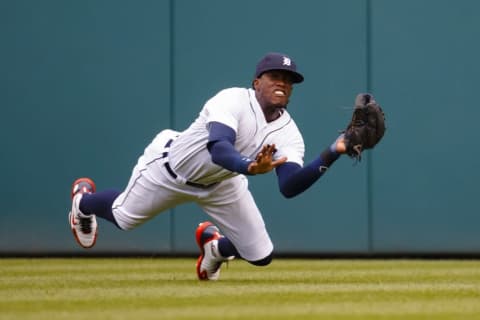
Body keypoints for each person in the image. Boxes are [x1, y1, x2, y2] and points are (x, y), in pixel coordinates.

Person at [68, 52, 347, 281]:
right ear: (256, 82)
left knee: (260, 255)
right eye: (275, 76)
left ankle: (214, 248)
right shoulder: (232, 100)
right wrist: (249, 167)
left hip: (223, 184)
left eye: (289, 80)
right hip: (169, 170)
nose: (282, 83)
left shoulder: (289, 132)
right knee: (123, 218)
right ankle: (84, 202)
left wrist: (333, 152)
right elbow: (220, 148)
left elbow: (289, 186)